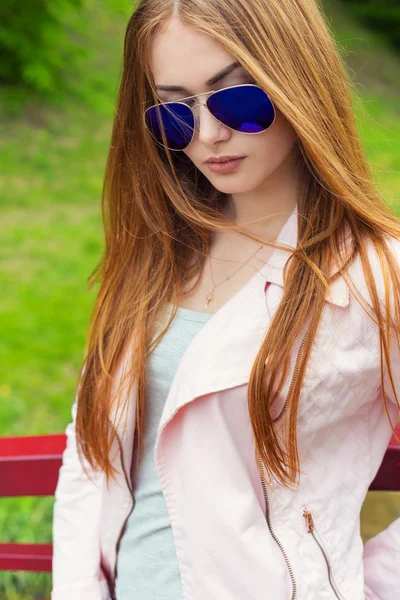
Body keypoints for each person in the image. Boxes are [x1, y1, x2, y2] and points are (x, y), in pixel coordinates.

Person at [51, 0, 400, 599]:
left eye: (236, 98)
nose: (209, 135)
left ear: (296, 81)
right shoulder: (160, 251)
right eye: (175, 112)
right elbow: (91, 454)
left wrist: (366, 586)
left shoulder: (375, 273)